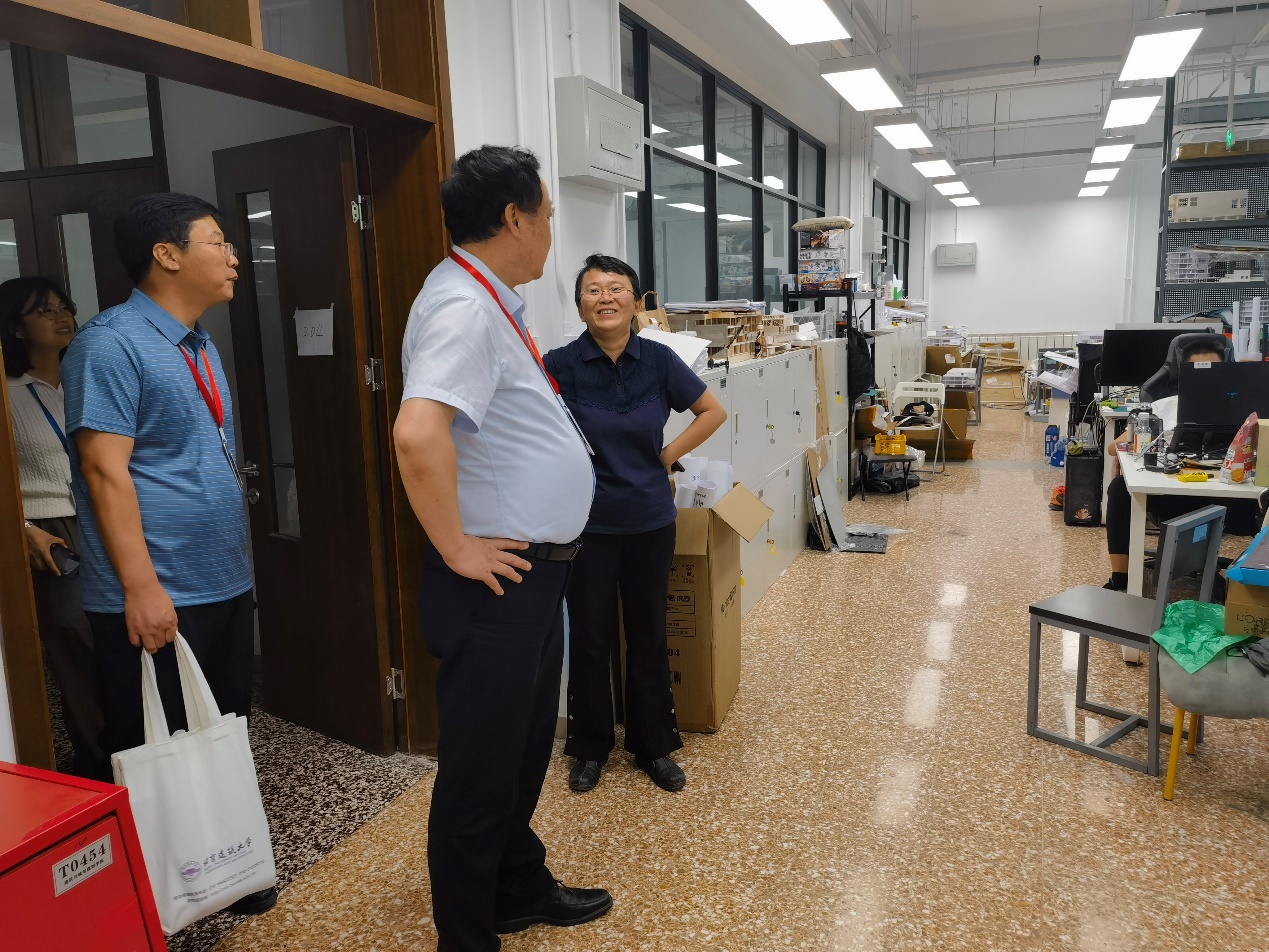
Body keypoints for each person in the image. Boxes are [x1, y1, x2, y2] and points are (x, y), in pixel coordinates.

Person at [394, 146, 611, 952]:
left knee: (518, 754)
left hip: (531, 576)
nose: (551, 229)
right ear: (515, 218)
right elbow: (417, 433)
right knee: (481, 771)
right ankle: (467, 935)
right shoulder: (461, 306)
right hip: (493, 584)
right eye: (548, 214)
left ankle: (515, 887)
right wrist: (455, 547)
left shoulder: (490, 299)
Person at [61, 192, 276, 916]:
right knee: (152, 742)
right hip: (159, 587)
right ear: (167, 255)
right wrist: (141, 588)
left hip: (221, 579)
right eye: (218, 242)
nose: (234, 257)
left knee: (222, 730)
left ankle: (226, 868)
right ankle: (150, 891)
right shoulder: (109, 344)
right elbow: (104, 472)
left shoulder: (198, 343)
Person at [542, 255, 726, 794]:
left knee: (648, 633)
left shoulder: (659, 360)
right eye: (593, 290)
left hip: (649, 520)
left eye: (616, 288)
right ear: (581, 306)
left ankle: (653, 745)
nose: (606, 298)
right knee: (590, 636)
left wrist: (666, 457)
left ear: (636, 301)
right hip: (586, 524)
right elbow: (535, 433)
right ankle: (589, 747)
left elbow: (711, 411)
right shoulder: (559, 364)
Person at [2, 277, 106, 780]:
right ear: (16, 328)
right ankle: (97, 766)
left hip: (103, 517)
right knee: (76, 649)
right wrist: (22, 527)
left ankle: (136, 753)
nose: (62, 316)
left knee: (118, 639)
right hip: (50, 530)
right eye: (44, 310)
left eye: (65, 306)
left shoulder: (86, 381)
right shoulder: (7, 394)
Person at [1103, 336, 1234, 592]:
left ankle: (1253, 583)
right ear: (1184, 375)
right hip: (1172, 491)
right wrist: (1152, 436)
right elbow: (1112, 447)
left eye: (1215, 371)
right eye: (1198, 372)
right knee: (1119, 489)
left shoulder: (1244, 408)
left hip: (1229, 494)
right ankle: (1120, 577)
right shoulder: (1162, 407)